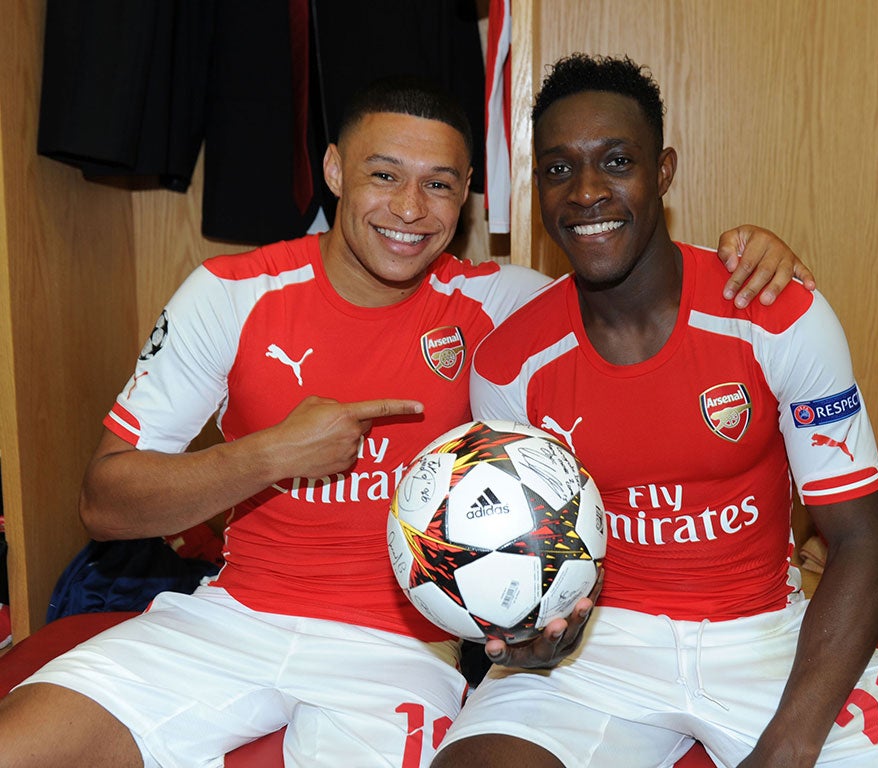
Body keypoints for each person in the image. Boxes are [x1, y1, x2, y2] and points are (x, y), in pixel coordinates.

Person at [0, 78, 808, 767]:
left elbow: (641, 281)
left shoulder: (504, 305)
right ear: (333, 171)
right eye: (384, 176)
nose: (410, 210)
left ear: (467, 198)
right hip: (230, 617)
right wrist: (273, 453)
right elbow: (105, 504)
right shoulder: (229, 294)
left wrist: (751, 255)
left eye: (440, 185)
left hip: (400, 652)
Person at [434, 54, 878, 768]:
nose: (586, 192)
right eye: (558, 169)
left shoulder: (775, 312)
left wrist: (790, 743)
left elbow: (863, 540)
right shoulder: (509, 363)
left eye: (617, 161)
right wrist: (533, 632)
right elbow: (526, 559)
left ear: (663, 171)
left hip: (765, 637)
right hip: (597, 654)